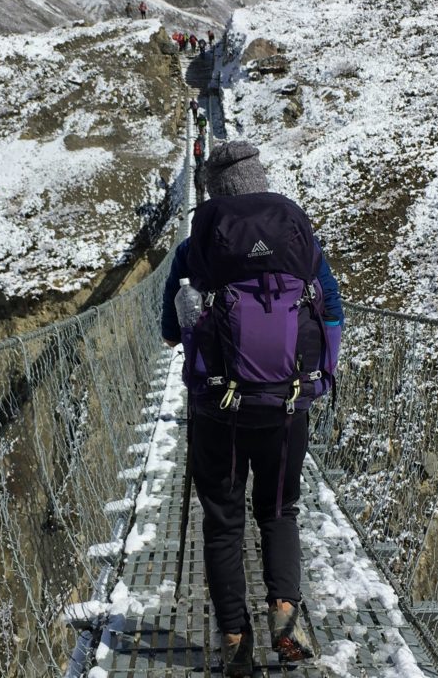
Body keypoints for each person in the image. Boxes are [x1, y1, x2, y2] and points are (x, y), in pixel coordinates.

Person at [161, 142, 343, 676]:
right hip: (288, 403)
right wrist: (318, 377)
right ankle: (285, 616)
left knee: (222, 522)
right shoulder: (299, 242)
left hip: (218, 407)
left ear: (216, 193)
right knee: (280, 509)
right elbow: (330, 310)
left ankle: (236, 642)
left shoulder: (196, 249)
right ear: (262, 182)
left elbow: (172, 332)